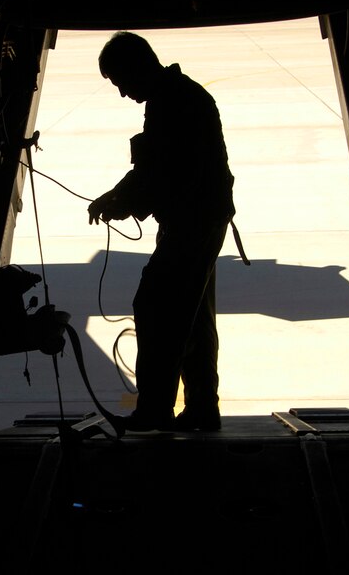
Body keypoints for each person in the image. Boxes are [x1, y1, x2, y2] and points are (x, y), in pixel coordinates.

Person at [87, 31, 239, 432]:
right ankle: (203, 408)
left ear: (137, 67)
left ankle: (155, 409)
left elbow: (163, 175)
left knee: (157, 307)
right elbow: (156, 170)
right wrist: (120, 197)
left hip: (193, 222)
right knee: (194, 317)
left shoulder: (175, 103)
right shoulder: (173, 97)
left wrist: (121, 201)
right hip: (199, 219)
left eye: (121, 82)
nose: (122, 93)